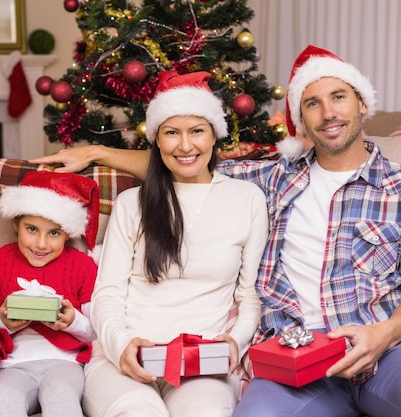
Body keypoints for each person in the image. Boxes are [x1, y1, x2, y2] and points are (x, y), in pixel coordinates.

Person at [31, 45, 401, 417]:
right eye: (312, 103)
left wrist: (383, 334)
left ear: (362, 104)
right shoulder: (271, 180)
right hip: (295, 354)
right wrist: (97, 151)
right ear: (300, 118)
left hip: (388, 346)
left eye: (339, 97)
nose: (328, 113)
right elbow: (187, 161)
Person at [80, 70, 267, 417]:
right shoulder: (131, 204)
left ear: (215, 136)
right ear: (156, 140)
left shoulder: (248, 199)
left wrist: (235, 341)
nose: (184, 146)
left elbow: (249, 294)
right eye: (171, 133)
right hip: (126, 360)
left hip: (200, 363)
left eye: (196, 131)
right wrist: (121, 346)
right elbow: (107, 293)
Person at [0, 170, 99, 417]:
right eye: (32, 229)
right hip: (12, 365)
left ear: (68, 232)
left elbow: (95, 331)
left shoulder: (82, 265)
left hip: (64, 362)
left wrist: (71, 322)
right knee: (3, 402)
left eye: (54, 233)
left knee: (61, 400)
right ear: (16, 223)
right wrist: (3, 322)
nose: (41, 244)